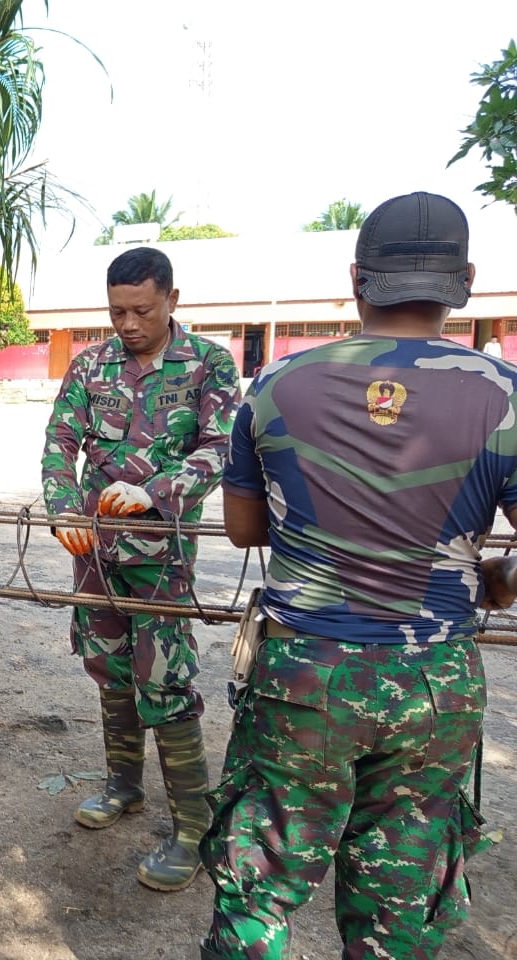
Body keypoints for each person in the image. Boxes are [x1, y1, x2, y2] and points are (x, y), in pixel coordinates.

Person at [201, 192, 507, 959]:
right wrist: (499, 576)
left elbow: (244, 530)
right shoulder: (505, 395)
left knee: (258, 891)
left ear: (357, 279)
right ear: (465, 281)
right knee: (397, 908)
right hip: (433, 687)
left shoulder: (277, 384)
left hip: (304, 678)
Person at [41, 246, 241, 892]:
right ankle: (123, 785)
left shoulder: (208, 364)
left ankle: (192, 828)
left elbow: (221, 447)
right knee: (109, 668)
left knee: (166, 681)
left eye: (142, 311)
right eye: (117, 311)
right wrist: (63, 507)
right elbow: (59, 440)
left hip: (162, 560)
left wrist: (154, 491)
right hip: (95, 553)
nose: (128, 324)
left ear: (172, 301)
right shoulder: (91, 365)